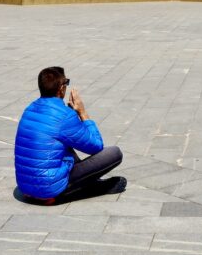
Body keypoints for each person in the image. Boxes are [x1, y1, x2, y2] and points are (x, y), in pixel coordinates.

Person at [14, 66, 124, 204]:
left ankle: (89, 183)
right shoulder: (65, 115)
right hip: (48, 189)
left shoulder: (29, 109)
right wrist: (82, 113)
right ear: (61, 88)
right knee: (114, 153)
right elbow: (96, 145)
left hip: (25, 186)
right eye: (66, 83)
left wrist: (71, 120)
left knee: (63, 143)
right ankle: (89, 187)